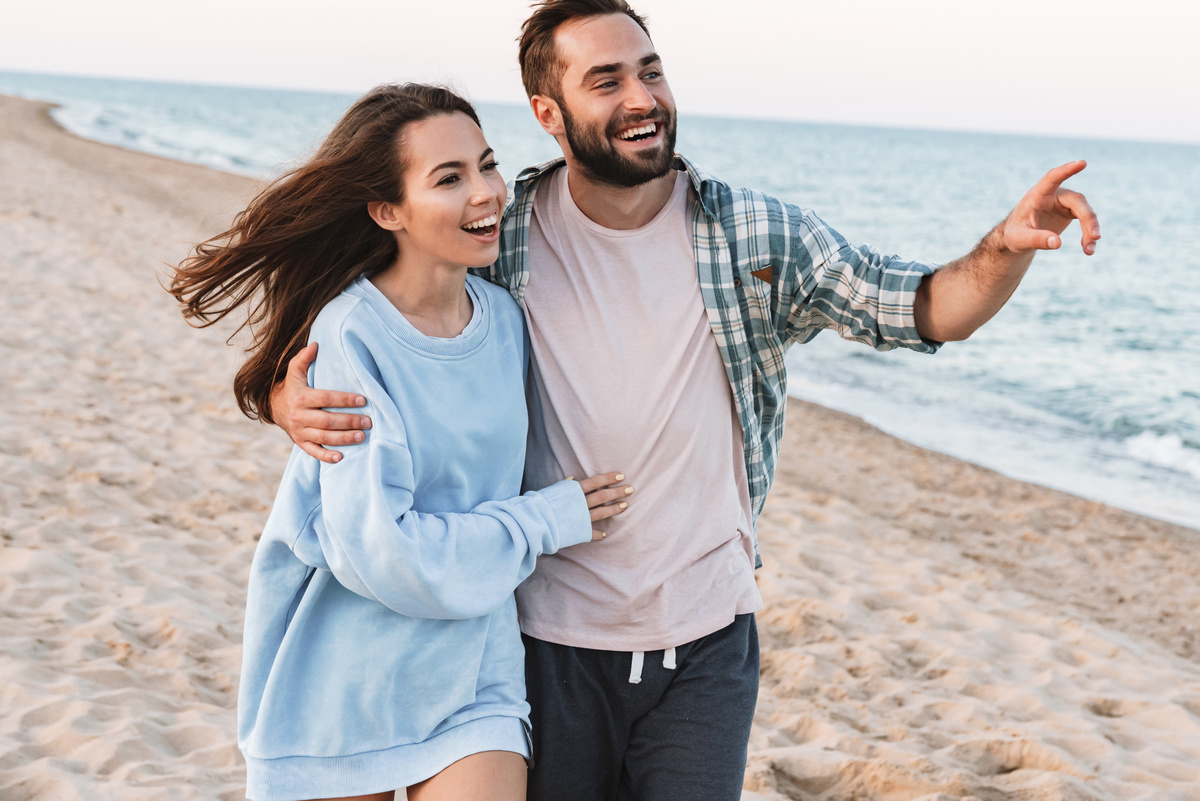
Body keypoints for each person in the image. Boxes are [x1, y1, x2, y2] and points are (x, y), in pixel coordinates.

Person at [269, 2, 1102, 800]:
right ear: (548, 113)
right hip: (546, 640)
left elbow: (917, 306)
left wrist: (1004, 246)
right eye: (606, 81)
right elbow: (384, 310)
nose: (642, 99)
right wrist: (281, 396)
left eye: (651, 71)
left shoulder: (754, 235)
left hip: (708, 642)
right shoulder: (503, 231)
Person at [169, 83, 633, 801]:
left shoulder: (506, 320)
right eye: (448, 178)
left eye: (486, 165)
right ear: (388, 211)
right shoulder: (350, 334)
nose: (485, 193)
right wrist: (549, 518)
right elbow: (386, 553)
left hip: (473, 684)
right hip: (339, 688)